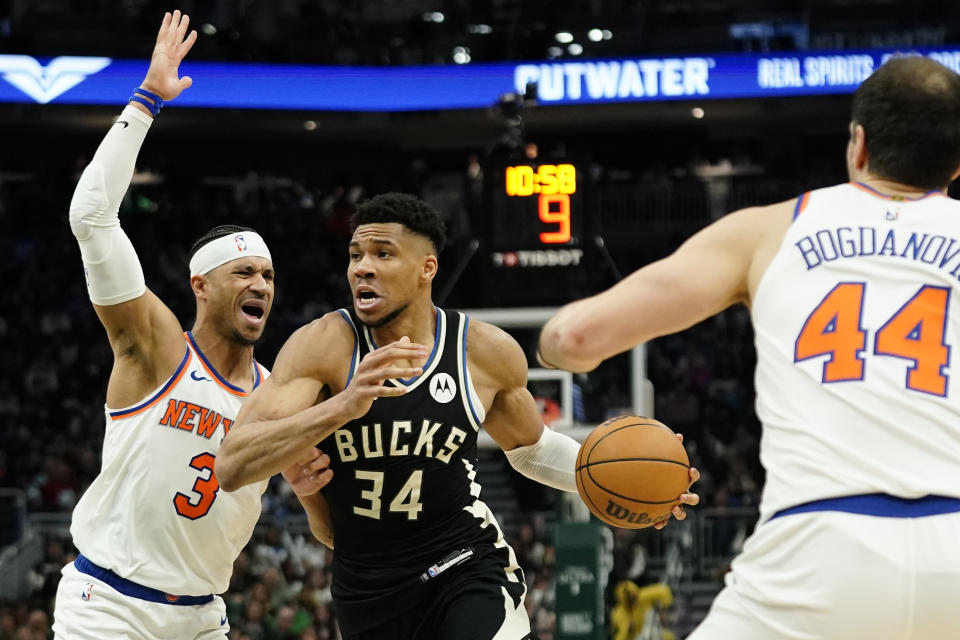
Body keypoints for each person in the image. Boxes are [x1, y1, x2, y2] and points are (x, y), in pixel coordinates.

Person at [537, 55, 960, 639]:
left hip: (818, 548)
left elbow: (572, 338)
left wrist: (555, 351)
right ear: (956, 165)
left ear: (858, 146)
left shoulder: (770, 230)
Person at [215, 192, 700, 639]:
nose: (362, 268)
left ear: (427, 268)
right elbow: (232, 465)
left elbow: (533, 451)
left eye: (382, 254)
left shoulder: (484, 353)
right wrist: (344, 405)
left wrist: (640, 486)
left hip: (463, 559)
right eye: (355, 255)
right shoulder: (323, 345)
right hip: (367, 582)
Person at [52, 11, 329, 640]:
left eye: (268, 274)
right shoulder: (155, 349)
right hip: (110, 606)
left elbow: (319, 519)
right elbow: (92, 215)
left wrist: (308, 485)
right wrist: (147, 99)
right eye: (244, 273)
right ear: (200, 285)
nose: (261, 284)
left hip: (204, 616)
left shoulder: (278, 395)